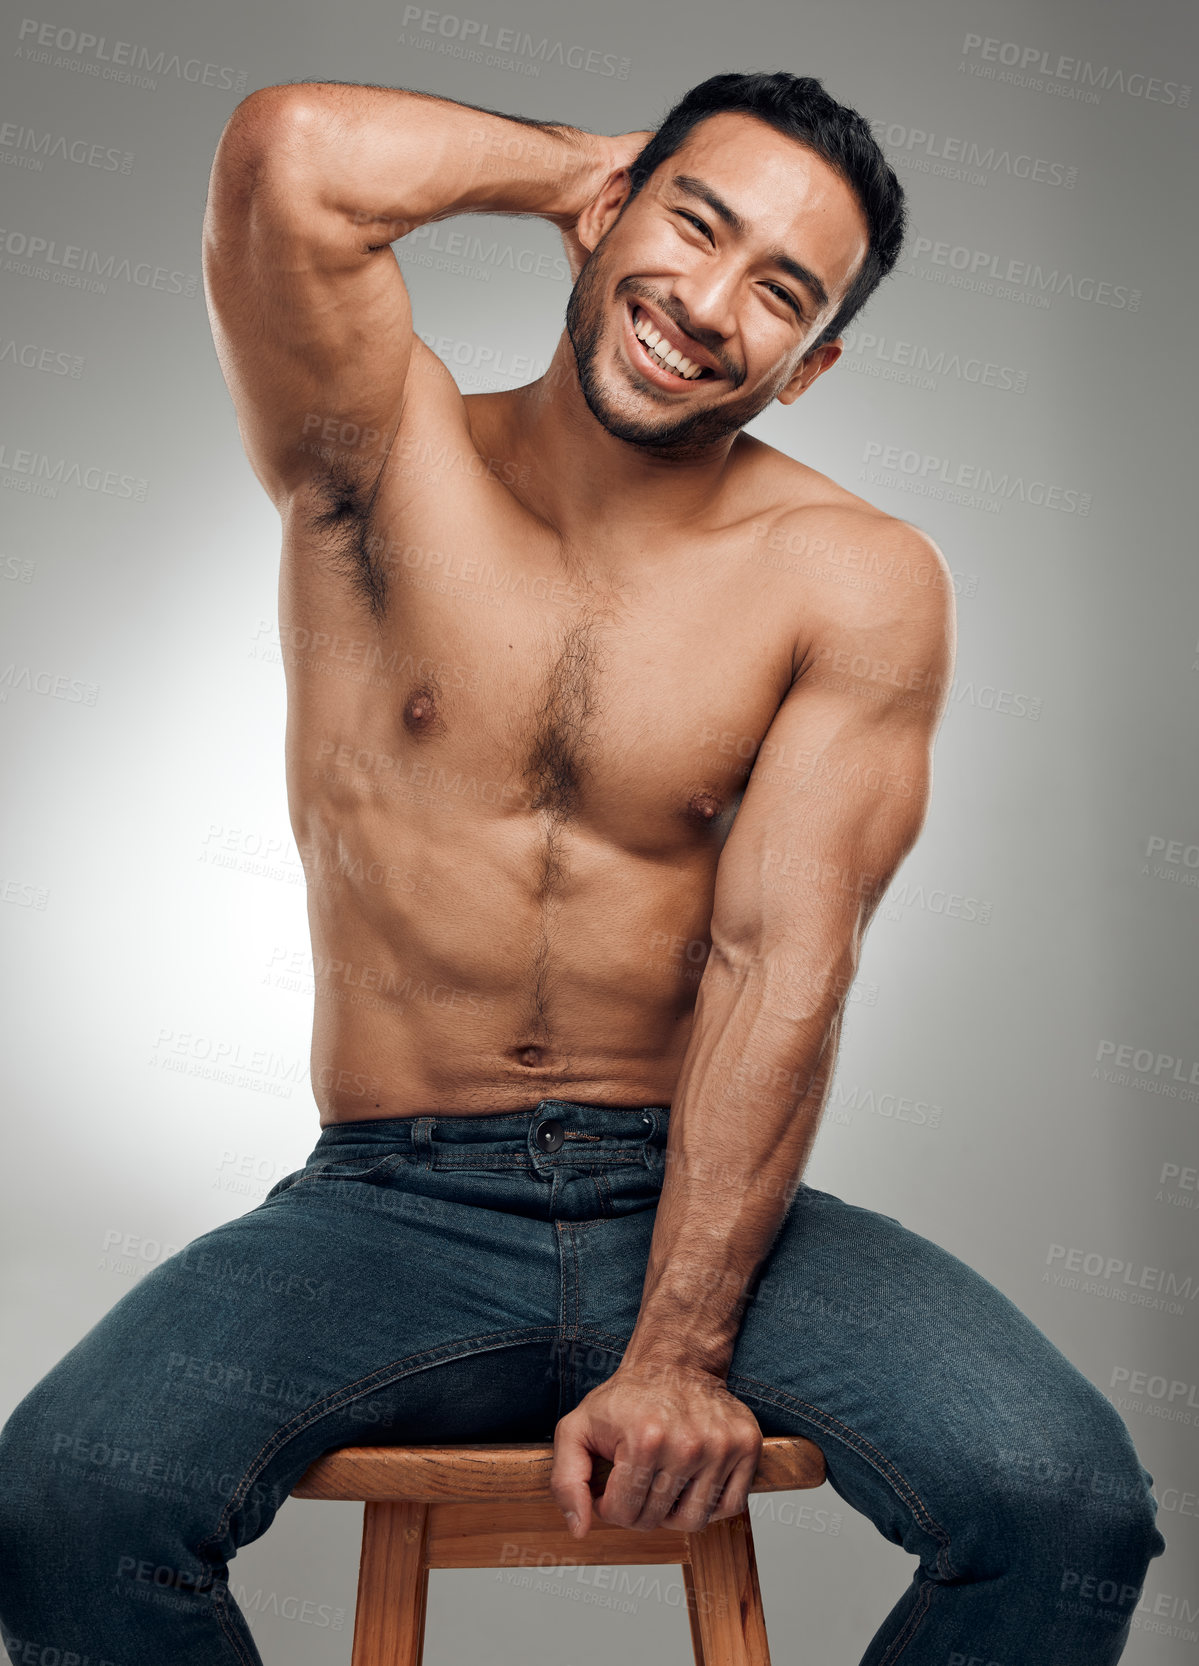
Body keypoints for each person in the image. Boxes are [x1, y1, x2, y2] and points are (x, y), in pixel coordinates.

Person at [0, 70, 1164, 1665]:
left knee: (1065, 1497)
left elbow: (782, 962)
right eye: (694, 224)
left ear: (811, 367)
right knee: (67, 1497)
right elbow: (293, 158)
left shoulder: (855, 578)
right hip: (392, 1203)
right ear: (607, 214)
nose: (707, 306)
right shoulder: (377, 453)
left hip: (696, 1200)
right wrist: (571, 164)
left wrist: (681, 1339)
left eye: (780, 294)